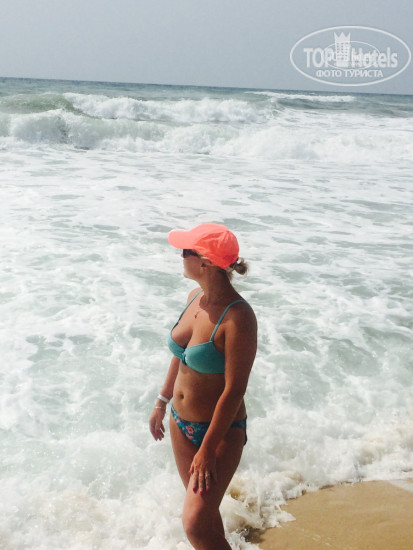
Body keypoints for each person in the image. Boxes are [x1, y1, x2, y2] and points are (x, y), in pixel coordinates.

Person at [149, 223, 257, 550]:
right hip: (181, 424)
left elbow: (234, 390)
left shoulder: (238, 318)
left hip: (220, 433)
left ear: (206, 263)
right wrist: (161, 401)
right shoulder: (194, 297)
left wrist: (208, 449)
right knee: (207, 520)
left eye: (186, 251)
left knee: (195, 524)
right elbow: (181, 355)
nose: (180, 256)